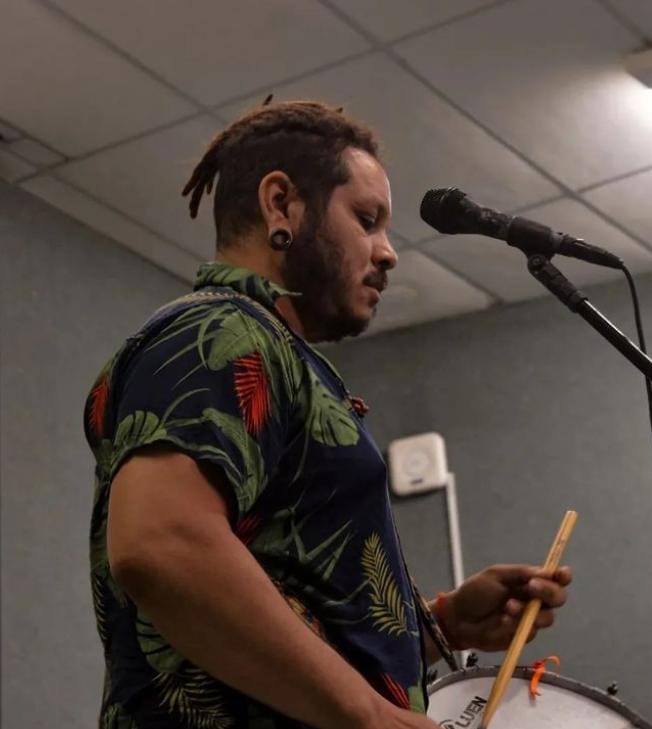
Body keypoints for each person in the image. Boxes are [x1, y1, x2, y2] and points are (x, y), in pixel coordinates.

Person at [84, 100, 571, 729]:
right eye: (367, 220)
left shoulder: (272, 352)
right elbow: (161, 544)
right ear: (280, 204)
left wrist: (441, 624)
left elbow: (284, 599)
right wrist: (368, 716)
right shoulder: (221, 331)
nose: (389, 253)